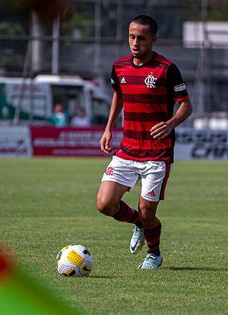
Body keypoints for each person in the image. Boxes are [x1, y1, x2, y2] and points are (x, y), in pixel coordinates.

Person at [96, 15, 192, 270]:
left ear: (154, 39)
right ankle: (138, 223)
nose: (135, 42)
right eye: (131, 36)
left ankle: (154, 253)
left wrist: (171, 123)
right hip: (127, 149)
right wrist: (108, 128)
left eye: (141, 38)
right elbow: (119, 96)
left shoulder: (166, 69)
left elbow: (186, 105)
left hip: (156, 154)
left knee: (148, 211)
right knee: (105, 204)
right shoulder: (119, 67)